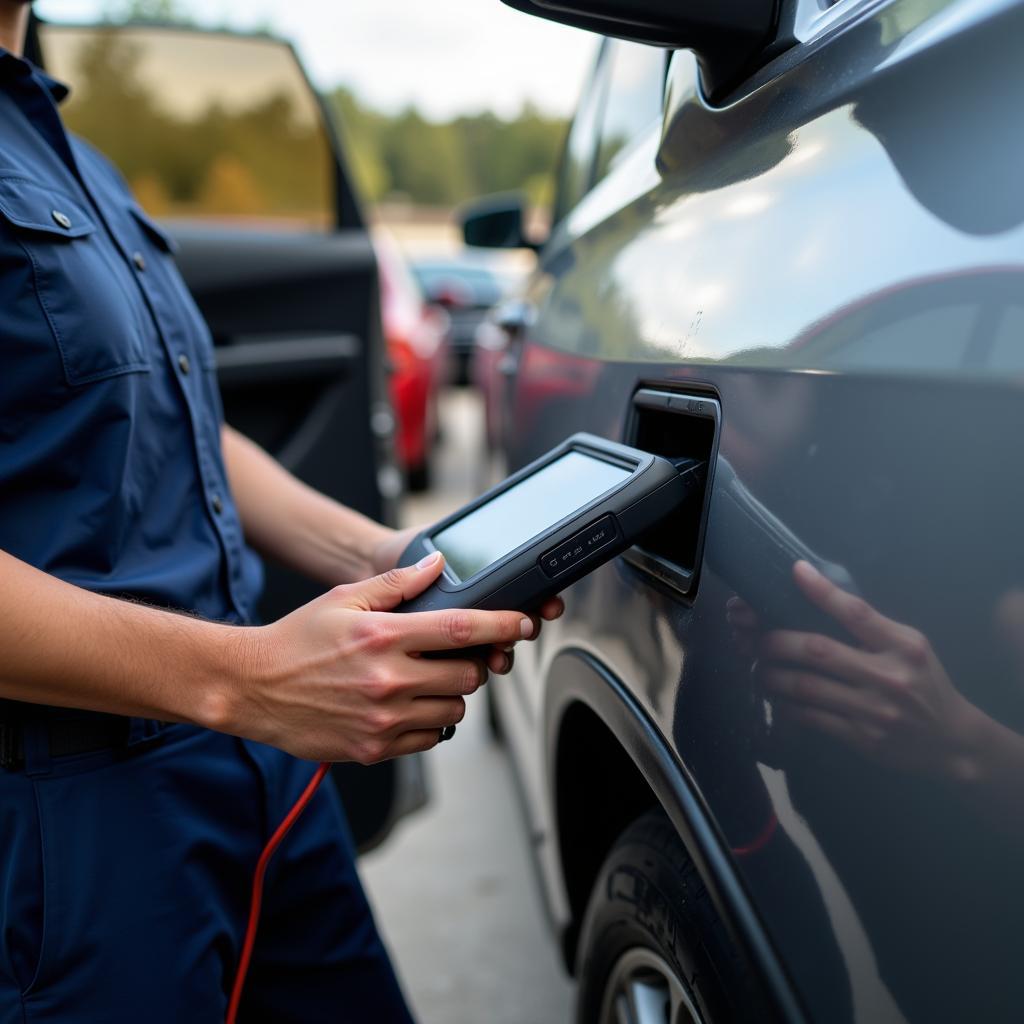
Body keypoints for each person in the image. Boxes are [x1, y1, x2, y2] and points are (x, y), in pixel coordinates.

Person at [0, 3, 562, 1020]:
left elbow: (186, 423)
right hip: (70, 821)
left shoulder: (70, 154)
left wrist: (395, 553)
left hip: (252, 774)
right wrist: (249, 679)